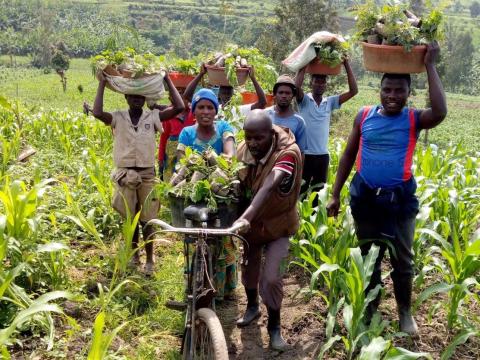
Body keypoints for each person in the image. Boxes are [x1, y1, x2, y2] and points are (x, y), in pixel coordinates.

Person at [326, 42, 447, 335]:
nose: (392, 96)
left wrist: (430, 64)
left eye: (399, 91)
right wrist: (335, 194)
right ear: (379, 91)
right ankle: (370, 309)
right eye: (387, 90)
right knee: (370, 258)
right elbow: (348, 155)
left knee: (402, 260)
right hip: (365, 198)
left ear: (408, 94)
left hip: (400, 201)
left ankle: (405, 312)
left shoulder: (414, 119)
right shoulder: (364, 115)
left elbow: (441, 112)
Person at [92, 72, 185, 276]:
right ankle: (135, 256)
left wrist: (167, 79)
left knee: (148, 220)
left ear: (145, 99)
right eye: (132, 96)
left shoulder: (152, 117)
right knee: (130, 217)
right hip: (125, 174)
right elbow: (98, 113)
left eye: (140, 96)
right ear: (126, 97)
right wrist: (102, 83)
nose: (136, 99)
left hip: (147, 175)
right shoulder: (117, 117)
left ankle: (150, 259)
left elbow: (179, 108)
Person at [232, 110, 302, 351]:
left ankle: (274, 327)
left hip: (278, 224)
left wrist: (246, 217)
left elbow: (271, 184)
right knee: (249, 268)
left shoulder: (288, 153)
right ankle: (252, 306)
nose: (252, 143)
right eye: (248, 137)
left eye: (258, 138)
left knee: (271, 277)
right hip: (251, 225)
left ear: (271, 134)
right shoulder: (245, 148)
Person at [176, 88, 237, 301]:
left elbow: (230, 153)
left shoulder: (224, 129)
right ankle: (196, 283)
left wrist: (218, 161)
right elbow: (182, 161)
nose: (205, 111)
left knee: (223, 241)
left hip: (219, 191)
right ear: (193, 110)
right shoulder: (187, 133)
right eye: (200, 107)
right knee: (197, 241)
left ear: (216, 110)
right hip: (195, 194)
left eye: (210, 107)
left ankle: (224, 291)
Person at [295, 58, 358, 193]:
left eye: (322, 82)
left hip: (322, 156)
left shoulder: (330, 102)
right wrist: (305, 63)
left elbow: (353, 91)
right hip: (305, 155)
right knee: (300, 193)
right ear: (311, 83)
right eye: (317, 81)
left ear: (326, 85)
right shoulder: (304, 100)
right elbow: (295, 88)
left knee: (318, 195)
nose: (320, 84)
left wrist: (346, 63)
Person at [183, 64, 267, 119]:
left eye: (229, 93)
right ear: (219, 94)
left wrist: (253, 78)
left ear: (233, 95)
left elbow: (262, 103)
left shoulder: (240, 110)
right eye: (224, 93)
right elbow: (186, 97)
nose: (226, 96)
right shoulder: (212, 110)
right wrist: (200, 74)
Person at [151, 88, 195, 180]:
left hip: (190, 150)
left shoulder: (194, 112)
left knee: (189, 175)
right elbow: (164, 137)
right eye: (178, 95)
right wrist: (160, 159)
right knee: (171, 177)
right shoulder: (169, 114)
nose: (182, 98)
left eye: (184, 95)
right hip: (172, 152)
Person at [266, 75, 307, 153]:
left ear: (293, 96)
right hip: (265, 163)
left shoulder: (299, 121)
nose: (284, 96)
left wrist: (299, 165)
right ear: (274, 95)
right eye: (280, 92)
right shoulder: (265, 115)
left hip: (287, 163)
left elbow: (301, 152)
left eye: (288, 93)